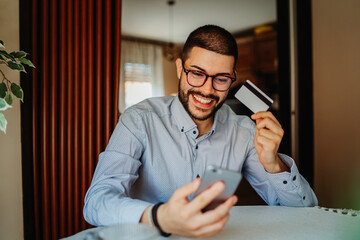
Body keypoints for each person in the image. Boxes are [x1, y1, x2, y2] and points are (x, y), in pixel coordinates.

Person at [83, 25, 318, 238]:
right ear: (179, 68)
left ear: (232, 78)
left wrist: (274, 164)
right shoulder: (139, 120)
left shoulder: (244, 131)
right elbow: (96, 202)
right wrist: (160, 217)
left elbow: (304, 213)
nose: (207, 90)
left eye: (221, 78)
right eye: (197, 73)